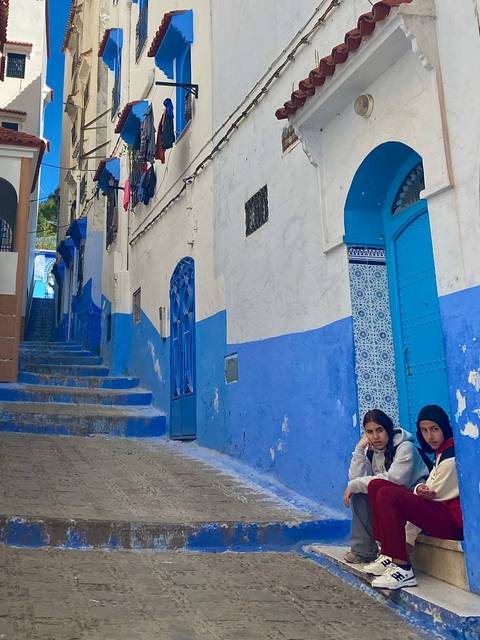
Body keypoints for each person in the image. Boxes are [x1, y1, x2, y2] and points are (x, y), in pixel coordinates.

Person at [362, 405, 463, 590]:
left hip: (453, 521)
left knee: (387, 493)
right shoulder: (441, 451)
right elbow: (429, 487)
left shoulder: (452, 454)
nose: (429, 436)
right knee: (376, 485)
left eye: (434, 429)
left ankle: (402, 568)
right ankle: (387, 555)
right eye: (424, 430)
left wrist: (416, 491)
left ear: (444, 428)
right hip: (440, 512)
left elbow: (434, 493)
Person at [343, 409, 430, 564]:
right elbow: (356, 479)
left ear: (388, 430)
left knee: (375, 491)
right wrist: (359, 449)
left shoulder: (405, 448)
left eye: (379, 430)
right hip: (391, 500)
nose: (375, 437)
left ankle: (391, 557)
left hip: (416, 502)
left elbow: (395, 480)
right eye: (369, 432)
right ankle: (364, 551)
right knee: (359, 494)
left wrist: (354, 485)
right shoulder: (372, 452)